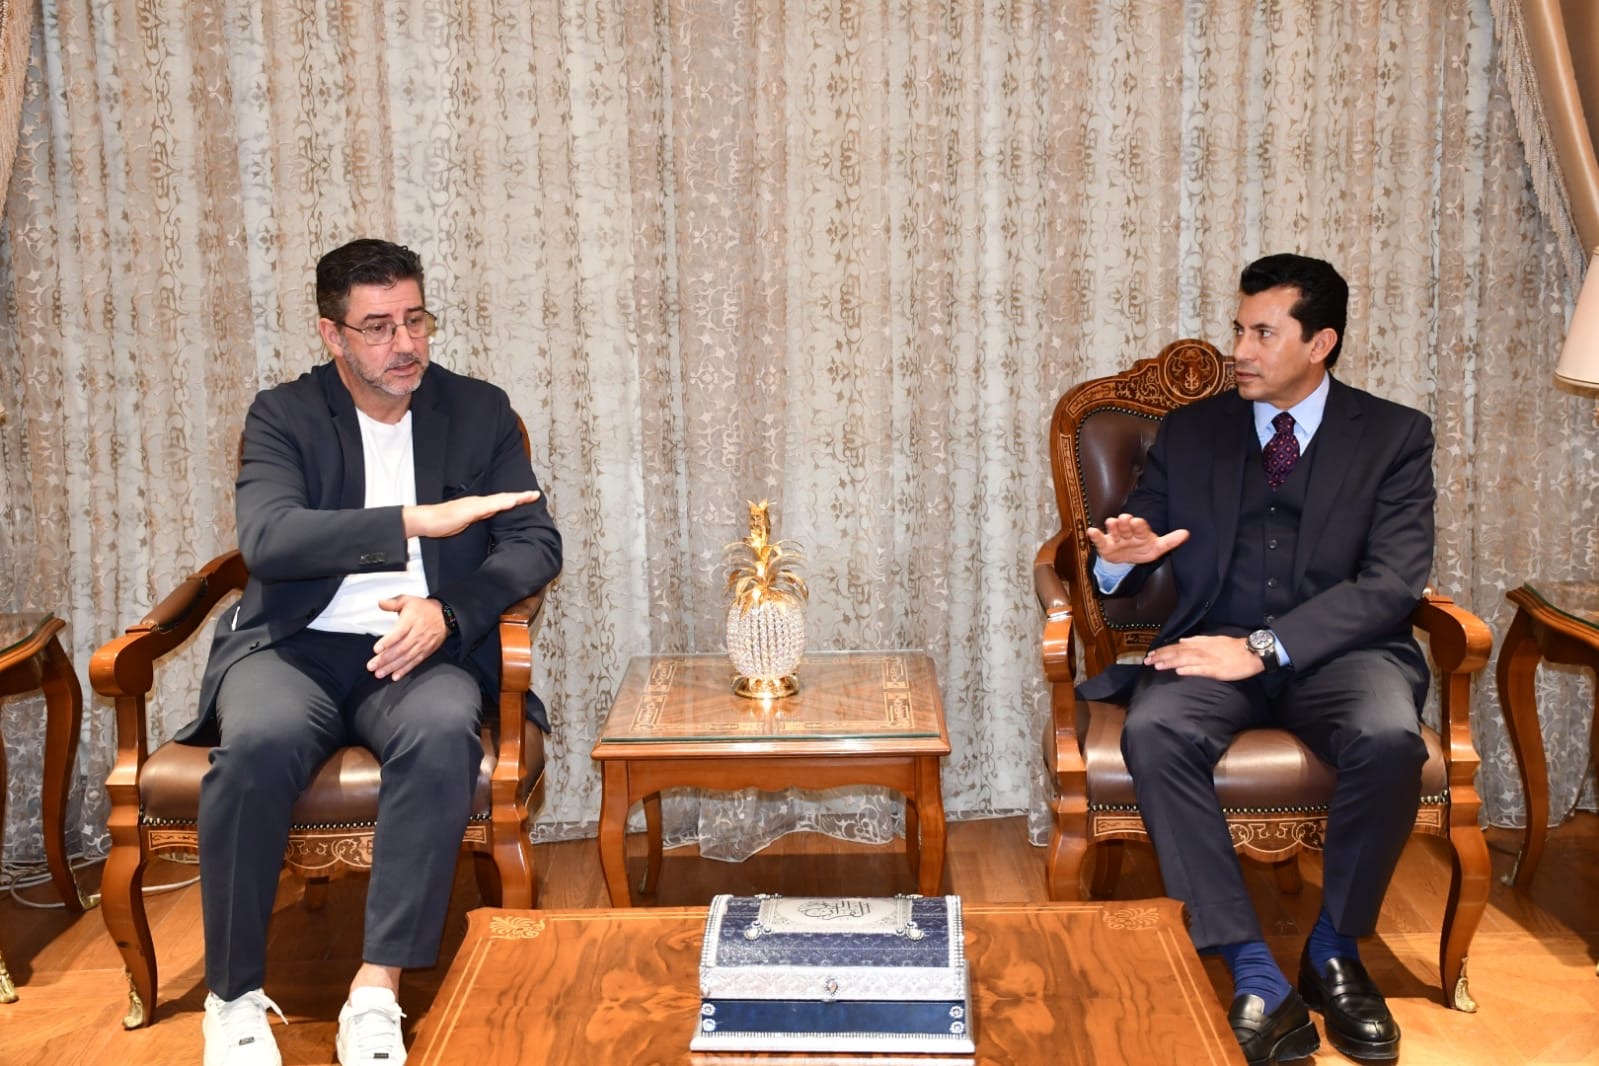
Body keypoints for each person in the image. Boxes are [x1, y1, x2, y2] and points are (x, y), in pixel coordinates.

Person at [183, 238, 562, 1066]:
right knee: (256, 744)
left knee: (441, 731)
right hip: (296, 648)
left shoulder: (477, 411)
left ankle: (376, 990)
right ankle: (233, 999)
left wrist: (447, 612)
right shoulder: (284, 415)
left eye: (415, 320)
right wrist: (413, 523)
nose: (404, 344)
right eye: (379, 327)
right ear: (333, 335)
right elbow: (269, 540)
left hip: (421, 650)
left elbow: (535, 544)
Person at [1082, 253, 1430, 1066]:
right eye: (1238, 329)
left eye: (1262, 333)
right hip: (1211, 641)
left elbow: (1391, 583)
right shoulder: (1193, 429)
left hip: (1343, 653)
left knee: (1389, 739)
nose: (1238, 349)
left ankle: (1334, 951)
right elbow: (1140, 528)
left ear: (1319, 343)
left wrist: (1264, 649)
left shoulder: (1392, 435)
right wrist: (1120, 556)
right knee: (1155, 731)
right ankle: (1253, 972)